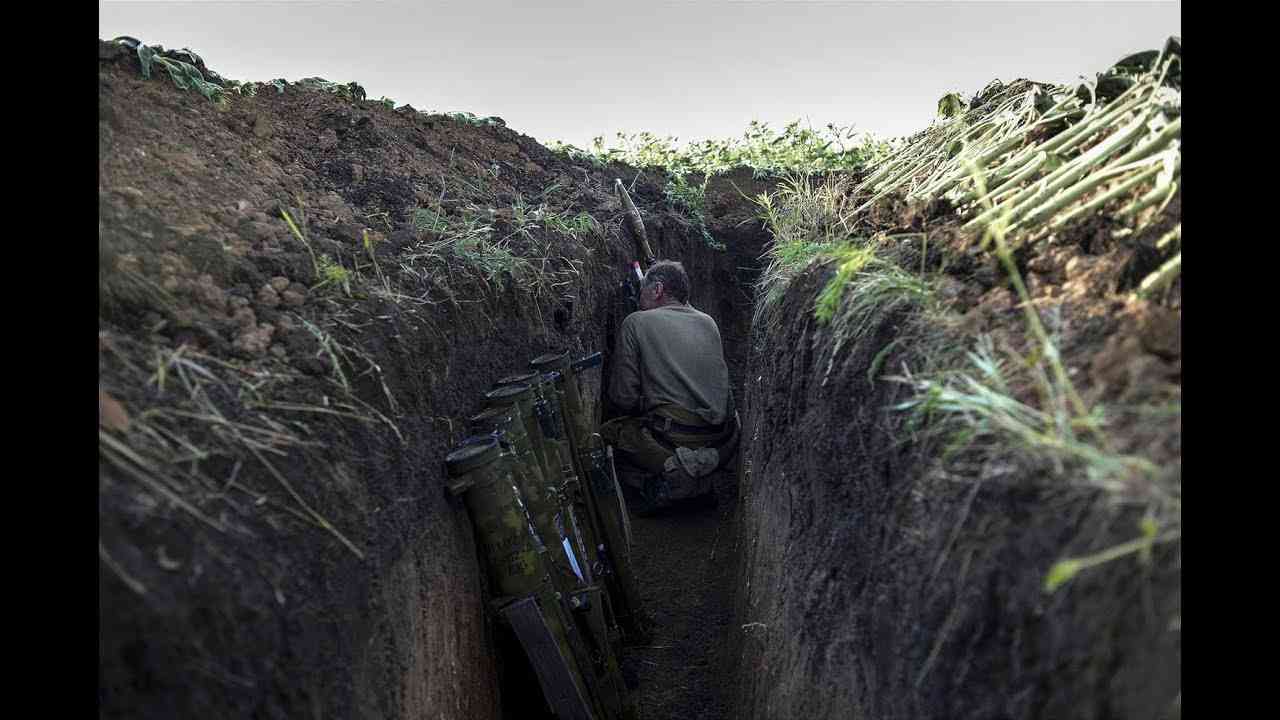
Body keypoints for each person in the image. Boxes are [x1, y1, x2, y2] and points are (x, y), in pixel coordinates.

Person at [600, 260, 739, 515]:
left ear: (657, 290)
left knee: (613, 431)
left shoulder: (635, 322)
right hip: (721, 439)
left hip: (676, 436)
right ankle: (699, 478)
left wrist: (645, 399)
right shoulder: (708, 322)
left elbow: (623, 398)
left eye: (643, 289)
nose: (639, 296)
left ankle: (671, 482)